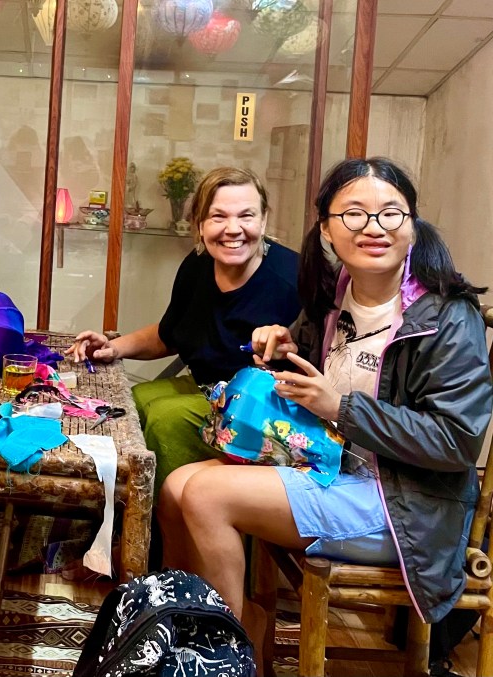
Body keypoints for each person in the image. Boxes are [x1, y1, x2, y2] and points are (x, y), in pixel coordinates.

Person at [159, 157, 492, 663]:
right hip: (332, 467)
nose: (374, 228)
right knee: (176, 486)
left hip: (407, 505)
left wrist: (341, 407)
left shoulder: (446, 317)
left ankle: (230, 652)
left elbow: (456, 442)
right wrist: (285, 343)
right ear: (327, 230)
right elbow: (319, 368)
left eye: (391, 213)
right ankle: (193, 623)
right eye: (354, 213)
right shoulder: (336, 295)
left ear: (412, 225)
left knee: (206, 493)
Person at [66, 167, 300, 493]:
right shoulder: (197, 264)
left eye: (246, 216)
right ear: (200, 225)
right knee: (138, 399)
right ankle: (118, 505)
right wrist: (113, 347)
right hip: (208, 386)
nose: (233, 229)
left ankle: (152, 520)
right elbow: (170, 334)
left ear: (263, 221)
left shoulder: (294, 278)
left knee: (166, 418)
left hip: (267, 405)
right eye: (218, 217)